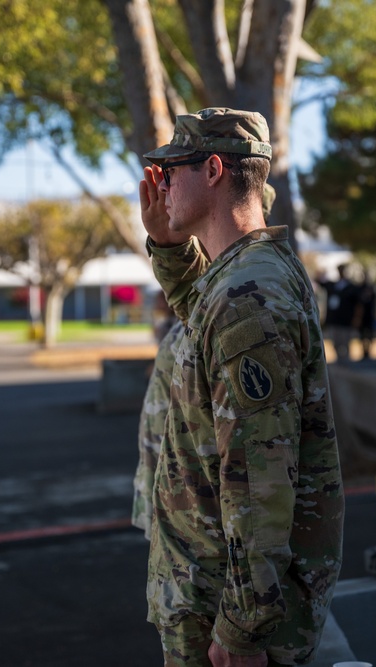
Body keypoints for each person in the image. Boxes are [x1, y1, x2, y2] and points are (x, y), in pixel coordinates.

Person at [138, 107, 343, 667]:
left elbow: (260, 480)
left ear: (211, 170)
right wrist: (170, 246)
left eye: (170, 170)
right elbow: (202, 321)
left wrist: (241, 630)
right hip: (207, 593)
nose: (161, 185)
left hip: (217, 613)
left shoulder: (247, 295)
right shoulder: (247, 274)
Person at [133, 184, 277, 538]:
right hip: (172, 500)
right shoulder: (205, 298)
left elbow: (256, 462)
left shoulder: (237, 300)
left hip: (205, 522)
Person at [316, 264, 357, 364]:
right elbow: (319, 281)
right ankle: (340, 360)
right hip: (334, 320)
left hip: (346, 320)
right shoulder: (332, 285)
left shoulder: (351, 287)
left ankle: (346, 361)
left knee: (345, 342)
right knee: (335, 342)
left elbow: (357, 304)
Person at [354, 270, 376, 360]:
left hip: (369, 316)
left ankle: (368, 351)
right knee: (362, 335)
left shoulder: (372, 289)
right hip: (362, 317)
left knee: (369, 335)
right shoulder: (359, 289)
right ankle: (364, 351)